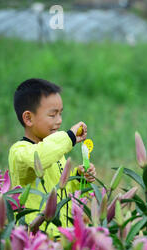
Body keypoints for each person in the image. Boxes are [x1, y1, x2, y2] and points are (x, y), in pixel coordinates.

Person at [8, 78, 96, 237]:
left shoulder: (55, 151)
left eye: (60, 114)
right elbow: (39, 159)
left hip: (61, 237)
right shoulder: (19, 152)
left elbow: (62, 192)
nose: (59, 120)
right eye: (52, 115)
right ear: (28, 118)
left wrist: (77, 178)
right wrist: (70, 137)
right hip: (36, 239)